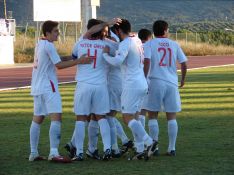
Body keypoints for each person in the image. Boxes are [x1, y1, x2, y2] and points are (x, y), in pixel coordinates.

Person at [29, 20, 92, 163]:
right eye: (56, 31)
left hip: (37, 87)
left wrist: (72, 57)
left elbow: (56, 59)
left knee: (38, 118)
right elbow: (59, 65)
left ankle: (33, 152)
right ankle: (54, 153)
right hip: (48, 87)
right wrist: (79, 61)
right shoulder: (49, 46)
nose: (58, 33)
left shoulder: (40, 43)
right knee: (56, 118)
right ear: (48, 33)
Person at [103, 19, 158, 160]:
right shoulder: (137, 39)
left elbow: (117, 61)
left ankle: (149, 142)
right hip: (142, 82)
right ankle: (140, 149)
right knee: (135, 117)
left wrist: (105, 54)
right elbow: (122, 46)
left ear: (119, 31)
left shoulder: (126, 43)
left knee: (127, 118)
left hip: (131, 84)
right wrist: (112, 43)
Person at [143, 20, 187, 156]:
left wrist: (144, 78)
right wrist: (183, 79)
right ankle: (172, 148)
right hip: (171, 83)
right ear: (165, 30)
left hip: (155, 81)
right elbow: (184, 63)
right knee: (171, 116)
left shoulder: (149, 44)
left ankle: (154, 147)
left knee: (152, 116)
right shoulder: (174, 44)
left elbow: (147, 61)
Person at [137, 28, 153, 128]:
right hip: (147, 80)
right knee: (145, 111)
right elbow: (148, 61)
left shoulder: (135, 46)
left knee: (137, 111)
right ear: (149, 37)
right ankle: (143, 139)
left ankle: (139, 139)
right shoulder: (149, 46)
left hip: (135, 80)